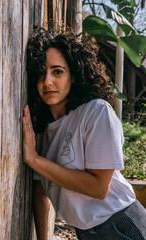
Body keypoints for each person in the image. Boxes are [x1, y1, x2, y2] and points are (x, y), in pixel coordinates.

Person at [22, 28, 146, 240]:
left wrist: (34, 159)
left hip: (123, 225)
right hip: (86, 233)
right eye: (41, 73)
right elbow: (40, 190)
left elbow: (99, 188)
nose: (48, 81)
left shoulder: (96, 112)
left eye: (57, 71)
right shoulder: (41, 132)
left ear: (74, 75)